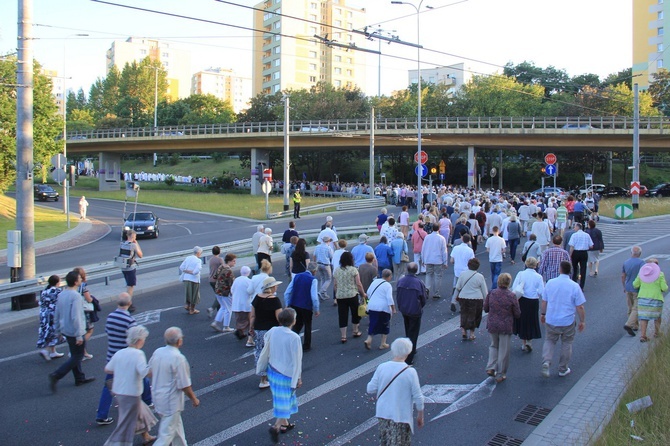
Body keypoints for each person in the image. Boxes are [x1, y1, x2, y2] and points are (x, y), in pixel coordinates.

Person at [96, 293, 152, 426]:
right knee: (142, 377)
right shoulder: (129, 320)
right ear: (129, 303)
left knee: (108, 385)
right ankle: (148, 400)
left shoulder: (110, 317)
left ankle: (101, 414)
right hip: (127, 357)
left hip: (112, 356)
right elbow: (133, 339)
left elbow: (108, 332)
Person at [103, 325, 156, 446]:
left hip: (119, 391)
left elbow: (108, 369)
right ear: (139, 340)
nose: (144, 341)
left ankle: (146, 436)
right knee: (126, 424)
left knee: (141, 413)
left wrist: (123, 370)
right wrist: (154, 366)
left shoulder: (120, 353)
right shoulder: (138, 354)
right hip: (132, 393)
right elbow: (144, 373)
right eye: (144, 338)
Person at [257, 308, 303, 444]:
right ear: (293, 321)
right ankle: (276, 426)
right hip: (286, 373)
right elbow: (297, 360)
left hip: (273, 370)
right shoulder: (294, 337)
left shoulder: (273, 330)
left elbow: (266, 340)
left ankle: (285, 424)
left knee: (280, 397)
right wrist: (298, 377)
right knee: (286, 399)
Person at [366, 338, 424, 445]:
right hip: (401, 416)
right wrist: (420, 414)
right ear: (408, 352)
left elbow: (370, 389)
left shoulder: (382, 367)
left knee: (385, 442)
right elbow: (418, 396)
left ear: (393, 350)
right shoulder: (410, 372)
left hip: (383, 414)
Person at [149, 327, 200, 446]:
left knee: (176, 428)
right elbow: (185, 385)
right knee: (166, 435)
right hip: (171, 401)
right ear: (179, 341)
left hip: (157, 396)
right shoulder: (178, 358)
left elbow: (149, 371)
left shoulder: (158, 352)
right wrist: (194, 398)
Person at [48, 270, 95, 392]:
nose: (81, 279)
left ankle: (79, 378)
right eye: (79, 278)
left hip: (66, 329)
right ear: (75, 282)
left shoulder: (62, 294)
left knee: (75, 353)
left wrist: (58, 331)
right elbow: (77, 317)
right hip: (75, 330)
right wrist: (79, 335)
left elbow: (57, 313)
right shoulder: (76, 297)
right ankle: (57, 375)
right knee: (77, 356)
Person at [540, 261, 586, 378]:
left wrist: (543, 314)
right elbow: (580, 306)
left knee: (550, 340)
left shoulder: (550, 283)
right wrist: (582, 320)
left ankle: (546, 361)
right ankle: (562, 368)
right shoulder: (574, 286)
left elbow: (544, 301)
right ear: (570, 271)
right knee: (567, 343)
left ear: (560, 270)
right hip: (567, 320)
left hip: (552, 318)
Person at [483, 273, 521, 383]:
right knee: (504, 350)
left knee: (494, 346)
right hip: (505, 325)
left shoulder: (492, 293)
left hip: (493, 323)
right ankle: (500, 373)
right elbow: (517, 313)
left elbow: (485, 308)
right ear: (509, 283)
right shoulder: (511, 296)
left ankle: (491, 366)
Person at [251, 277, 283, 388]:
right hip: (272, 331)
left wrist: (251, 327)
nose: (277, 287)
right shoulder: (275, 300)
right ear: (272, 287)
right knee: (273, 353)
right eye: (276, 285)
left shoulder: (257, 298)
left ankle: (262, 378)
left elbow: (253, 315)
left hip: (259, 329)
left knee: (261, 352)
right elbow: (279, 318)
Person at [396, 263, 427, 365]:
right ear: (416, 270)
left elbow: (398, 295)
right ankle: (409, 356)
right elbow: (423, 298)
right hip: (415, 310)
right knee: (413, 333)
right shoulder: (418, 283)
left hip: (404, 309)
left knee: (408, 328)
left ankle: (409, 348)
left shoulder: (401, 281)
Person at [284, 263, 320, 351]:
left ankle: (291, 341)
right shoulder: (313, 280)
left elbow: (287, 292)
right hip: (306, 306)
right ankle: (306, 345)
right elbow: (314, 297)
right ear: (314, 271)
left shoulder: (297, 276)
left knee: (297, 324)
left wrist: (287, 303)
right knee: (307, 324)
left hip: (295, 304)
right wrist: (316, 309)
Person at [512, 257, 545, 352]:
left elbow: (514, 287)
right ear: (536, 265)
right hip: (533, 301)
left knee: (523, 320)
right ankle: (529, 341)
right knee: (532, 320)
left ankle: (524, 342)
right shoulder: (539, 277)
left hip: (522, 299)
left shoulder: (521, 274)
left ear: (526, 264)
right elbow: (542, 291)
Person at [333, 251, 367, 343]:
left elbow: (335, 284)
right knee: (355, 313)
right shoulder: (353, 270)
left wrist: (337, 294)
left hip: (340, 295)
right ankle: (355, 331)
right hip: (352, 294)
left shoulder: (337, 270)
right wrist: (363, 293)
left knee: (342, 315)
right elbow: (358, 284)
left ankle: (343, 336)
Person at [634, 260, 668, 342]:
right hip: (656, 298)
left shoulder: (641, 273)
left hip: (643, 298)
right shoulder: (660, 274)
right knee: (657, 316)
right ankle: (656, 333)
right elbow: (664, 288)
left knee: (643, 317)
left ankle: (643, 336)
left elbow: (635, 284)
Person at [455, 258, 488, 341]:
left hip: (463, 297)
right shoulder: (480, 276)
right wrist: (486, 301)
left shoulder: (462, 274)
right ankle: (472, 333)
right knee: (475, 315)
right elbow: (484, 290)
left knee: (464, 313)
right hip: (476, 298)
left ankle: (463, 330)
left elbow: (458, 287)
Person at [363, 269, 395, 350]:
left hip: (372, 306)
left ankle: (369, 339)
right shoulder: (388, 285)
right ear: (389, 276)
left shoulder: (375, 281)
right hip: (383, 308)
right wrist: (393, 308)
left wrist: (369, 302)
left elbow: (368, 293)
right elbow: (389, 298)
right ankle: (383, 343)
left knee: (373, 323)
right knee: (385, 324)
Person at [37, 275, 64, 361]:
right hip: (53, 314)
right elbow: (61, 304)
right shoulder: (58, 292)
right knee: (53, 332)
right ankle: (46, 350)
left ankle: (53, 351)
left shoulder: (44, 291)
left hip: (43, 314)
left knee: (47, 331)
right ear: (57, 282)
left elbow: (40, 303)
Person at [73, 266, 96, 360]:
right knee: (89, 330)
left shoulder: (71, 287)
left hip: (75, 310)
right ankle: (81, 349)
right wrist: (92, 299)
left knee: (80, 330)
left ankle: (81, 350)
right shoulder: (83, 286)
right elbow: (88, 298)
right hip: (84, 310)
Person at [421, 221, 449, 300]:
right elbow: (444, 251)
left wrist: (423, 259)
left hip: (428, 259)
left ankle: (427, 288)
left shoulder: (427, 237)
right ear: (439, 229)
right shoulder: (441, 238)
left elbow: (423, 249)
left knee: (428, 274)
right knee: (438, 276)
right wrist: (445, 262)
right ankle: (436, 292)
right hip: (438, 260)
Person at [622, 246, 645, 336]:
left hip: (628, 287)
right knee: (636, 307)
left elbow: (623, 276)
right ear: (640, 254)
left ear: (631, 253)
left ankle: (635, 325)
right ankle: (629, 324)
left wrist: (624, 286)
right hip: (637, 288)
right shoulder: (642, 263)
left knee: (630, 306)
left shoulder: (626, 262)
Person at [211, 253, 237, 332]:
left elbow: (215, 276)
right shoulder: (229, 271)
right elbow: (232, 283)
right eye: (233, 261)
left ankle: (215, 323)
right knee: (229, 309)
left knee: (223, 307)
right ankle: (226, 326)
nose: (235, 263)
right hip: (225, 292)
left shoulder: (221, 266)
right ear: (229, 261)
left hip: (218, 290)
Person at [231, 266, 254, 346]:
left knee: (239, 319)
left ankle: (240, 331)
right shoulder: (249, 281)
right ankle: (245, 332)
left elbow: (232, 290)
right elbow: (250, 291)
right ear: (248, 272)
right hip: (246, 303)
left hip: (236, 303)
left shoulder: (236, 280)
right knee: (248, 319)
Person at [568, 223, 593, 290]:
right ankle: (581, 286)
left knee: (575, 268)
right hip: (584, 252)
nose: (574, 228)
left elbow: (572, 246)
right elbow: (591, 245)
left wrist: (570, 255)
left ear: (577, 227)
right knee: (583, 269)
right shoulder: (587, 235)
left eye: (575, 227)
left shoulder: (574, 235)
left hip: (576, 252)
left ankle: (574, 284)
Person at [119, 230, 142, 304]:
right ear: (133, 236)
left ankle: (127, 301)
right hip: (130, 268)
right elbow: (140, 255)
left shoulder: (122, 244)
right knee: (130, 286)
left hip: (123, 267)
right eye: (135, 236)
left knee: (128, 284)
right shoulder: (133, 245)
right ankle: (128, 303)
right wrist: (137, 244)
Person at [179, 246, 203, 315]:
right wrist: (191, 272)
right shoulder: (198, 260)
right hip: (194, 279)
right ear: (198, 253)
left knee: (188, 293)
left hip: (186, 278)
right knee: (194, 295)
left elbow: (181, 267)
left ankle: (187, 305)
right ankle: (192, 309)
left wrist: (187, 271)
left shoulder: (188, 258)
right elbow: (196, 271)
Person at [313, 235, 333, 301]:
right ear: (328, 241)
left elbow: (314, 255)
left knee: (322, 278)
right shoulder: (328, 248)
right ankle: (321, 291)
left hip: (318, 264)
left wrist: (315, 262)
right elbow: (331, 256)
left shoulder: (317, 247)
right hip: (326, 264)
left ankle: (324, 294)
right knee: (329, 279)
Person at [206, 246, 223, 318]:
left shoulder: (211, 259)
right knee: (220, 296)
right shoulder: (220, 259)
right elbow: (223, 268)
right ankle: (212, 308)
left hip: (211, 279)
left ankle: (219, 311)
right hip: (217, 280)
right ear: (219, 251)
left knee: (217, 295)